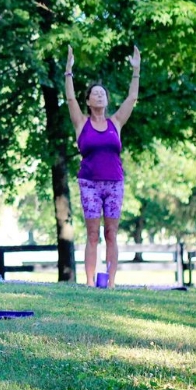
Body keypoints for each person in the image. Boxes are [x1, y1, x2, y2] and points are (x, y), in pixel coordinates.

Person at [64, 44, 140, 288]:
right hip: (89, 184)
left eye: (102, 93)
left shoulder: (115, 122)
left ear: (106, 100)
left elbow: (132, 98)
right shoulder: (81, 122)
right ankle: (89, 282)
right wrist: (68, 71)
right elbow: (69, 98)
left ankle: (111, 283)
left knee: (111, 234)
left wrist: (136, 71)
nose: (99, 95)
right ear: (88, 100)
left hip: (115, 183)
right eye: (94, 93)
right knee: (93, 235)